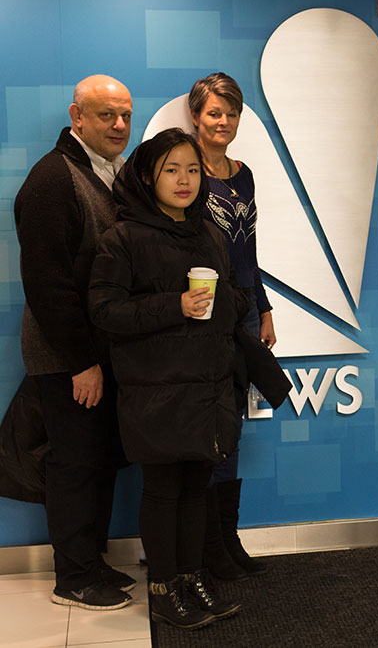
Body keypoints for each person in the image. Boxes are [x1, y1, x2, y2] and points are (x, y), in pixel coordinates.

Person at [89, 128, 245, 629]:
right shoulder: (123, 237)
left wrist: (226, 304)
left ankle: (193, 576)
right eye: (171, 170)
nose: (184, 180)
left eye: (193, 169)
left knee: (197, 486)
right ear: (147, 176)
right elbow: (105, 310)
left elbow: (236, 299)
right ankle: (163, 587)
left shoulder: (212, 235)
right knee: (162, 490)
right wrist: (172, 305)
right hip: (155, 388)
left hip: (207, 386)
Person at [14, 74, 136, 610]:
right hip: (68, 358)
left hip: (102, 356)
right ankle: (73, 577)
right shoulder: (51, 181)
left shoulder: (112, 175)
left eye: (126, 115)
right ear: (77, 116)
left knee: (100, 458)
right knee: (73, 462)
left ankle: (94, 562)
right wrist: (81, 362)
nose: (119, 125)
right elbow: (48, 285)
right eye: (106, 115)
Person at [188, 72, 273, 578]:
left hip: (242, 312)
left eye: (231, 113)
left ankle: (227, 538)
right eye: (214, 112)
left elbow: (249, 251)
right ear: (196, 116)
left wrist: (263, 309)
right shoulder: (184, 171)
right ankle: (205, 546)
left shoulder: (243, 174)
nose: (223, 121)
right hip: (203, 317)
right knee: (207, 427)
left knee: (233, 428)